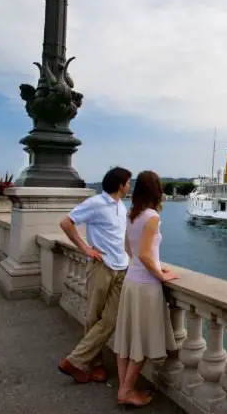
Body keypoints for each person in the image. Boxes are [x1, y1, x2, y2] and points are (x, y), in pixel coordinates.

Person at [57, 166, 133, 383]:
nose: (129, 186)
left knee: (111, 319)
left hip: (122, 267)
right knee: (94, 316)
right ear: (120, 185)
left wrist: (134, 260)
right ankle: (94, 363)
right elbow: (66, 223)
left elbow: (123, 238)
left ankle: (75, 360)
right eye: (128, 182)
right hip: (101, 266)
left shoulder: (121, 206)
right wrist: (85, 249)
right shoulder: (96, 203)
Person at [114, 170, 179, 407]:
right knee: (142, 338)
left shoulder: (131, 214)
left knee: (127, 338)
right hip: (146, 285)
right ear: (156, 191)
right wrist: (161, 274)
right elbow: (144, 254)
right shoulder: (152, 217)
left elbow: (128, 249)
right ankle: (126, 391)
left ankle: (124, 388)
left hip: (131, 281)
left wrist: (150, 264)